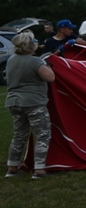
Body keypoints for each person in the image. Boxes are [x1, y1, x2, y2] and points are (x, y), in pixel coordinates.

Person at [5, 32, 56, 179]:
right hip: (33, 103)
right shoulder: (35, 62)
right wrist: (48, 66)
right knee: (42, 134)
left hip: (14, 102)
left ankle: (12, 168)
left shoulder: (11, 60)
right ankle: (39, 170)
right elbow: (50, 78)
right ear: (31, 45)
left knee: (19, 135)